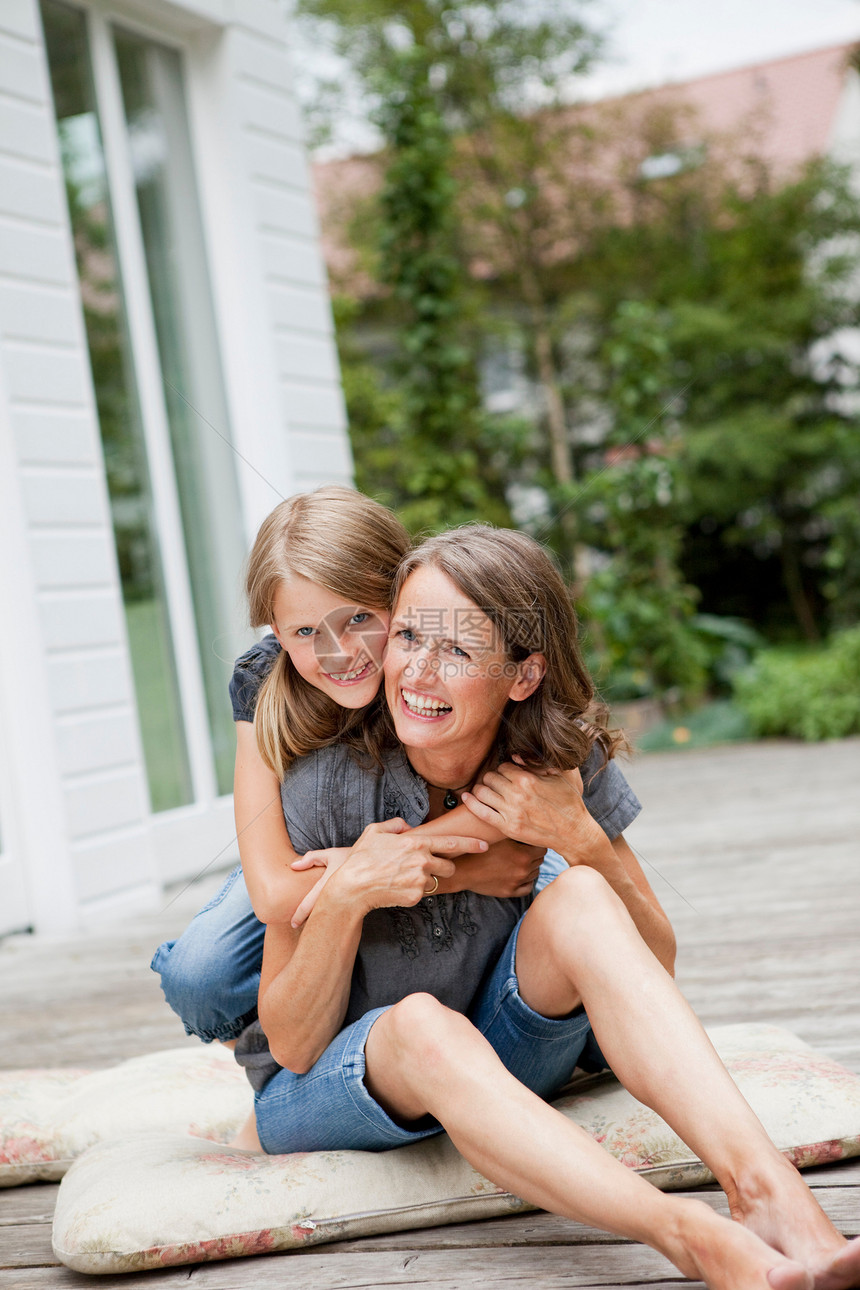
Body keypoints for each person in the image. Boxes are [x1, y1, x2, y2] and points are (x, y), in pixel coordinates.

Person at [236, 524, 859, 1290]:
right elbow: (293, 1045)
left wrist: (581, 837)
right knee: (425, 1025)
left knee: (586, 894)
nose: (417, 672)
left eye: (458, 650)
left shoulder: (560, 760)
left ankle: (769, 1192)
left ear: (523, 676)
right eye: (406, 636)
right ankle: (687, 1235)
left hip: (498, 1051)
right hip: (329, 1088)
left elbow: (653, 965)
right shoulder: (324, 786)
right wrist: (347, 896)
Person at [152, 487, 552, 1046]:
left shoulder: (431, 654)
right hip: (313, 848)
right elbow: (271, 891)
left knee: (537, 875)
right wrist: (455, 873)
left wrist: (395, 864)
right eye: (305, 633)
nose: (339, 653)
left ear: (400, 589)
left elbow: (525, 800)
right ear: (274, 630)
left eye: (360, 617)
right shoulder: (265, 681)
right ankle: (282, 1070)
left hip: (430, 822)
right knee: (202, 975)